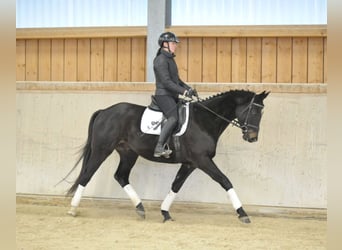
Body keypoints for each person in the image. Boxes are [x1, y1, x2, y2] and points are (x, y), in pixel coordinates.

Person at [153, 32, 197, 158]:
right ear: (165, 44)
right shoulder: (160, 60)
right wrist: (183, 92)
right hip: (163, 95)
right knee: (173, 118)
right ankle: (159, 147)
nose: (175, 46)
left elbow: (177, 80)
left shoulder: (170, 59)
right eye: (173, 43)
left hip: (172, 95)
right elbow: (166, 82)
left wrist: (189, 89)